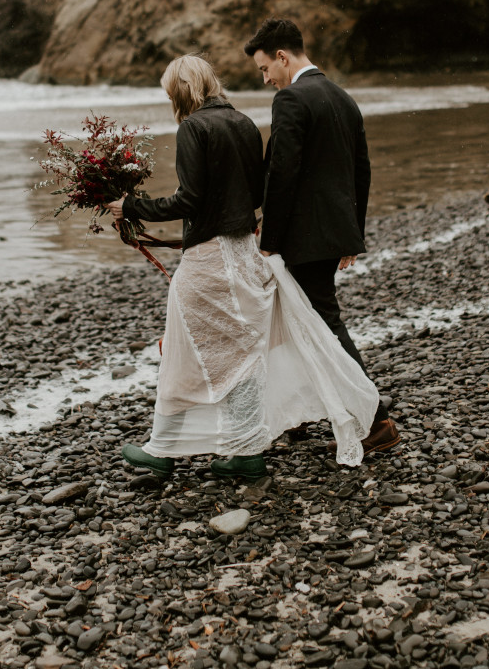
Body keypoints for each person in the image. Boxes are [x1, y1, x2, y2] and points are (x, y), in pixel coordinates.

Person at [109, 54, 379, 481]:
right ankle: (244, 450)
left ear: (182, 91)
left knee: (184, 351)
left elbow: (189, 200)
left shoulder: (193, 128)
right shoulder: (244, 124)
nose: (170, 100)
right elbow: (256, 190)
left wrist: (132, 206)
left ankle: (164, 449)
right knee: (240, 353)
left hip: (208, 261)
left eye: (170, 92)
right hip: (244, 255)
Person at [244, 18, 401, 454]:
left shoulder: (292, 98)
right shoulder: (342, 97)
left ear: (282, 56)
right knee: (306, 322)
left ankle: (375, 421)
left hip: (303, 237)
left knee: (324, 324)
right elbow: (361, 170)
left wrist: (269, 238)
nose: (265, 79)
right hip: (331, 232)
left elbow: (283, 172)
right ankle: (306, 413)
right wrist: (351, 234)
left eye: (264, 69)